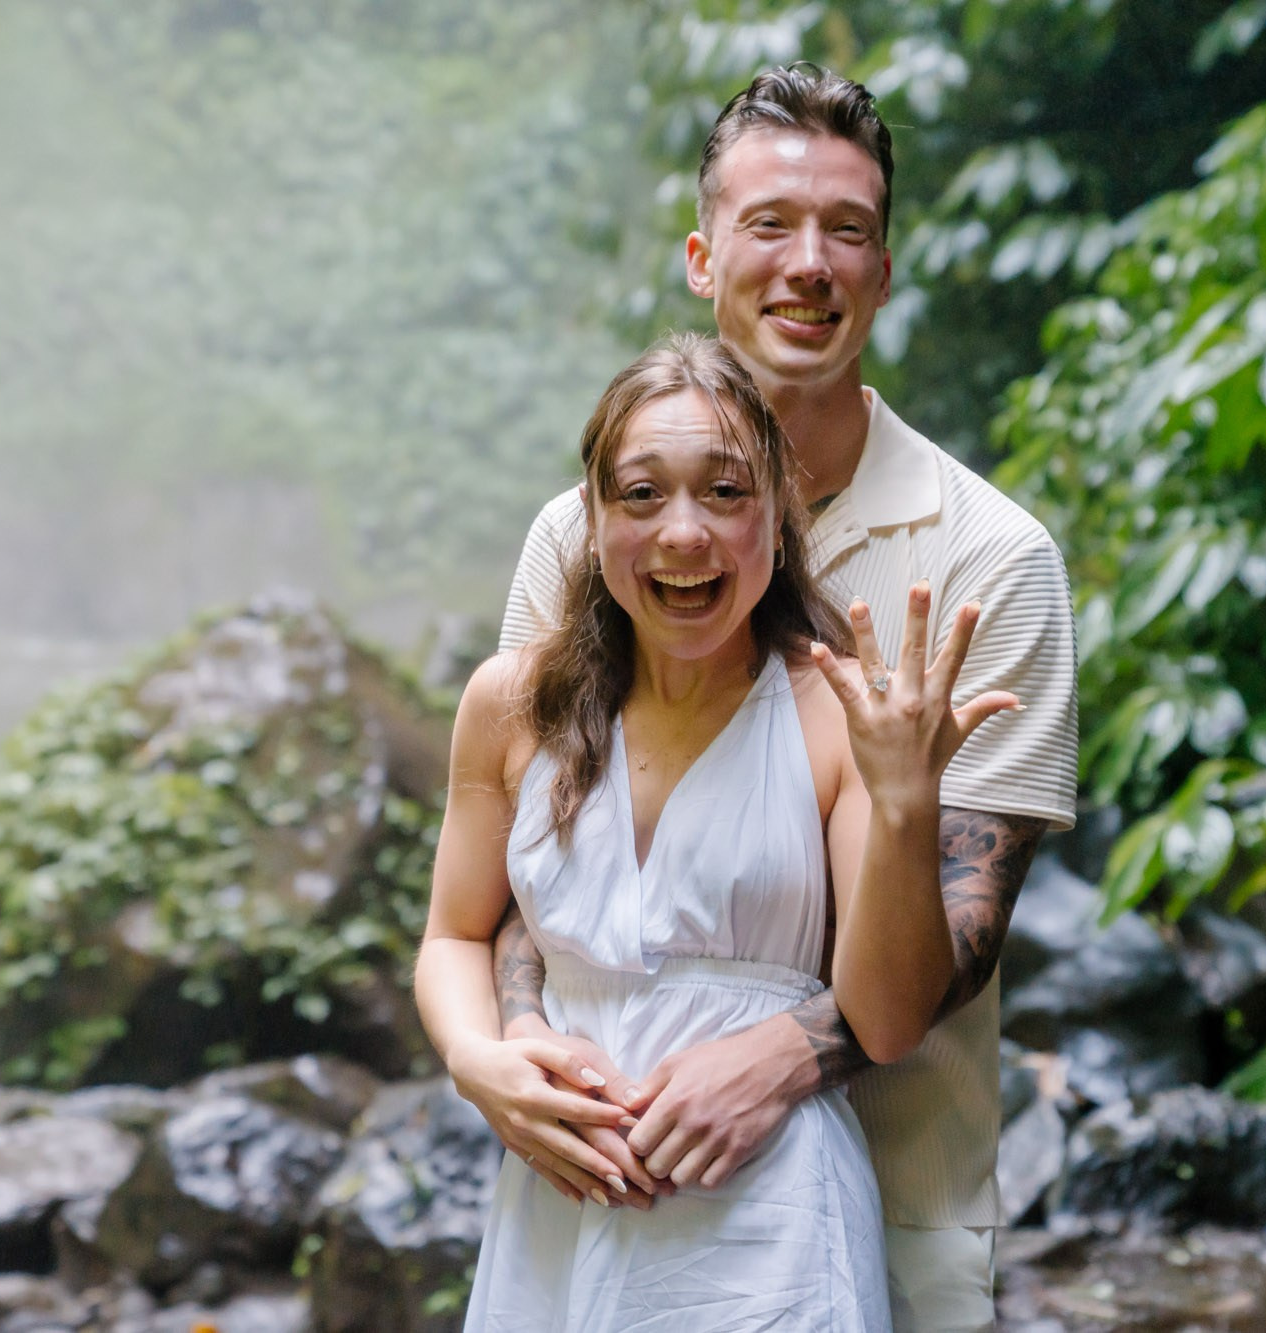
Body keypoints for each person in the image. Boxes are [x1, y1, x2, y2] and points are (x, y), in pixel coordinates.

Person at [486, 66, 1079, 1330]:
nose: (808, 262)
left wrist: (783, 1057)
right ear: (704, 258)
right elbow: (533, 852)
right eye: (770, 225)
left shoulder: (988, 555)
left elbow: (965, 918)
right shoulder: (584, 535)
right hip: (598, 1177)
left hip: (895, 1185)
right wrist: (515, 1053)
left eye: (846, 230)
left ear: (882, 267)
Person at [415, 332, 1018, 1331]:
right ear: (593, 520)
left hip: (770, 1226)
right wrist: (478, 1061)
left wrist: (905, 799)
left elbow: (886, 1017)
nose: (682, 532)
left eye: (725, 493)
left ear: (777, 524)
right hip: (557, 1216)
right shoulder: (511, 705)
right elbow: (451, 934)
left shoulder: (834, 714)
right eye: (641, 494)